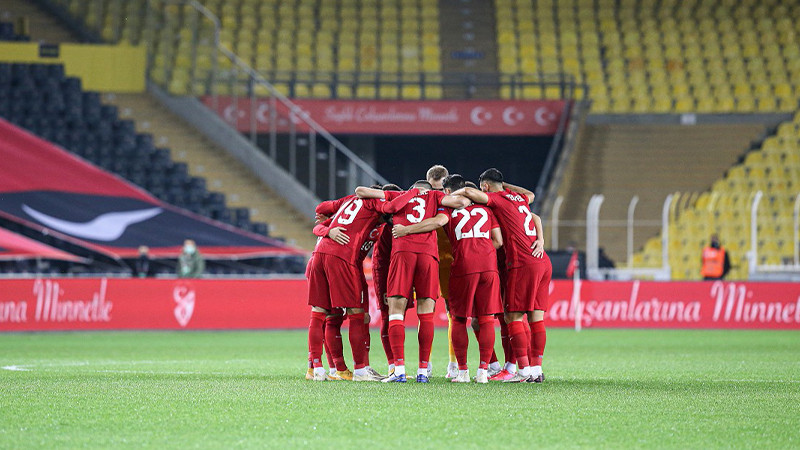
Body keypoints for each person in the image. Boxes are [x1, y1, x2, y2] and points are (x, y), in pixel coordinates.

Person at [392, 174, 503, 383]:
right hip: (489, 266)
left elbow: (436, 222)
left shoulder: (448, 209)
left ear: (449, 192)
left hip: (463, 264)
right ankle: (484, 372)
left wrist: (406, 230)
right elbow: (498, 241)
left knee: (458, 318)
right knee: (486, 319)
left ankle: (461, 371)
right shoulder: (487, 210)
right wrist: (483, 250)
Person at [355, 180, 469, 382]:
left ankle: (398, 370)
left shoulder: (398, 196)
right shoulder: (436, 197)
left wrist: (407, 214)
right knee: (426, 313)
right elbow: (460, 204)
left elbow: (361, 191)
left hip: (403, 254)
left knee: (395, 311)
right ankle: (423, 372)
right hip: (428, 256)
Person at [306, 187, 420, 381]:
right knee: (356, 315)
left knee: (323, 314)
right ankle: (358, 370)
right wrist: (414, 192)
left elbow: (320, 221)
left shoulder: (351, 203)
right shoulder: (372, 204)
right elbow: (391, 205)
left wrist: (327, 229)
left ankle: (318, 369)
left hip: (322, 256)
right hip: (342, 258)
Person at [453, 168, 552, 383]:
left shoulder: (495, 200)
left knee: (512, 317)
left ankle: (523, 371)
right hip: (542, 259)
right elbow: (533, 207)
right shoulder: (519, 199)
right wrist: (541, 240)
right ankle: (536, 369)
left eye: (483, 188)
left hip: (522, 262)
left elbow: (470, 193)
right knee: (536, 317)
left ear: (486, 187)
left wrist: (444, 196)